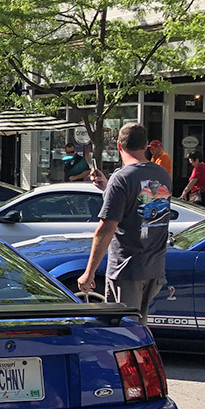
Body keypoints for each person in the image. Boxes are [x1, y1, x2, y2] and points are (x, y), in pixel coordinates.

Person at [77, 123, 172, 323]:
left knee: (123, 330)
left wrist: (89, 273)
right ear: (146, 145)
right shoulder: (162, 175)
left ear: (119, 146)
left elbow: (105, 229)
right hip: (154, 269)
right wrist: (107, 187)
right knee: (139, 327)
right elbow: (140, 205)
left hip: (127, 270)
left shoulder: (121, 179)